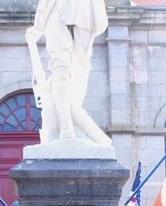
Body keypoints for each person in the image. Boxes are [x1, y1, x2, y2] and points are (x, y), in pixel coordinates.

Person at [25, 0, 111, 145]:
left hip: (84, 5)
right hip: (54, 5)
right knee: (60, 63)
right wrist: (38, 26)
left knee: (81, 66)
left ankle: (77, 121)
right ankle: (66, 125)